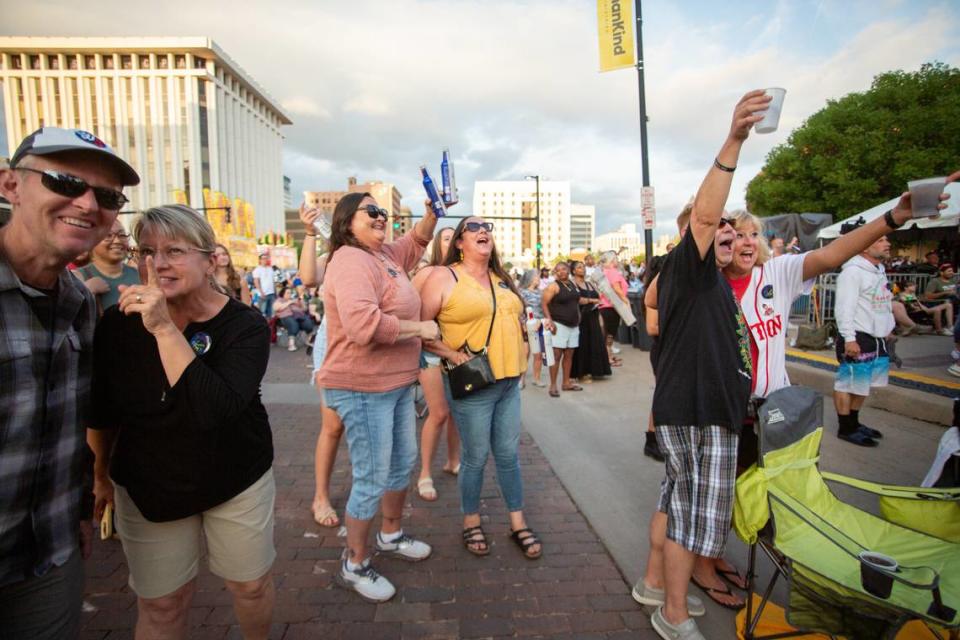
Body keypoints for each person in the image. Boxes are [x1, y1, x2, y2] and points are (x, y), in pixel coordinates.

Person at [87, 205, 276, 640]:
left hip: (235, 475)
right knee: (162, 602)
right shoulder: (118, 324)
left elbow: (215, 410)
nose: (157, 263)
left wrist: (164, 329)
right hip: (150, 484)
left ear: (210, 260)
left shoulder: (243, 325)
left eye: (174, 250)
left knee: (249, 586)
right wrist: (98, 476)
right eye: (147, 251)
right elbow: (103, 409)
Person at [632, 91, 769, 640]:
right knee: (693, 520)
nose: (732, 239)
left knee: (676, 504)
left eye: (741, 235)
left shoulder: (715, 284)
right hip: (696, 413)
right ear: (700, 237)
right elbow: (709, 214)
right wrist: (733, 140)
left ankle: (650, 584)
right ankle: (673, 613)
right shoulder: (688, 268)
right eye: (722, 234)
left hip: (706, 412)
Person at [0, 126, 138, 639]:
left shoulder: (79, 304)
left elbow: (70, 419)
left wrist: (84, 505)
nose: (86, 203)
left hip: (50, 554)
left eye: (105, 196)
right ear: (10, 184)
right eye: (63, 181)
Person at [316, 192, 440, 602]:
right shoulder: (350, 260)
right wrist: (419, 329)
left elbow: (417, 242)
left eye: (383, 211)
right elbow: (363, 325)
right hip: (362, 386)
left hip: (396, 383)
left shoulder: (383, 254)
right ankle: (355, 564)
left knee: (403, 462)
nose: (382, 217)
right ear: (346, 221)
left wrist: (430, 215)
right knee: (370, 477)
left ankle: (390, 535)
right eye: (372, 211)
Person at [420, 217, 542, 560]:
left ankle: (517, 522)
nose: (482, 230)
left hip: (509, 383)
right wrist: (453, 356)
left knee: (508, 455)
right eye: (472, 228)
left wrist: (522, 347)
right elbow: (423, 329)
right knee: (475, 458)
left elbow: (514, 318)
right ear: (459, 242)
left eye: (486, 227)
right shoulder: (445, 276)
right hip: (474, 382)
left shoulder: (501, 278)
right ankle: (470, 520)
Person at [296, 204, 343, 528]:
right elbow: (308, 277)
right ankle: (321, 496)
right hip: (334, 349)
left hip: (370, 350)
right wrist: (310, 232)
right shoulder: (336, 259)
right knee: (333, 426)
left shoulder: (377, 257)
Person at [411, 227, 461, 502]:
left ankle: (453, 461)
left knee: (456, 412)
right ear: (437, 245)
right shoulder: (427, 273)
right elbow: (412, 310)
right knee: (439, 413)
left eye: (455, 237)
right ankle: (425, 473)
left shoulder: (464, 274)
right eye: (446, 237)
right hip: (429, 351)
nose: (452, 241)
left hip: (457, 351)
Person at [75, 218, 141, 312]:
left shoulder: (139, 275)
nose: (117, 241)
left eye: (122, 235)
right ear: (91, 241)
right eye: (108, 235)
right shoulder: (79, 277)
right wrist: (87, 290)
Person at [542, 261, 582, 397]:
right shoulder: (553, 286)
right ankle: (553, 385)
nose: (561, 272)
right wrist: (550, 321)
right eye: (558, 270)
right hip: (559, 325)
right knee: (557, 355)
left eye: (564, 269)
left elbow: (576, 302)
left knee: (569, 355)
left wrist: (579, 315)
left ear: (568, 270)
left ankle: (566, 383)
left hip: (574, 325)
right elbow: (544, 303)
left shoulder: (572, 284)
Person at [569, 260, 611, 381]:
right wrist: (592, 301)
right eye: (579, 267)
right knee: (583, 344)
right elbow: (577, 299)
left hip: (593, 316)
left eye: (583, 267)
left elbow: (599, 295)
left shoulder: (589, 284)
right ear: (574, 271)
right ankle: (581, 373)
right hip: (581, 318)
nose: (583, 269)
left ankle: (595, 370)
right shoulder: (572, 284)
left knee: (595, 342)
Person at [598, 251, 629, 366]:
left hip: (604, 305)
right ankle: (608, 357)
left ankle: (609, 355)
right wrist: (626, 301)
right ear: (611, 261)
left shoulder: (603, 272)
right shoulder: (613, 272)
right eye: (615, 259)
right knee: (610, 334)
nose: (617, 261)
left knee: (607, 333)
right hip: (612, 306)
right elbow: (617, 289)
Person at [519, 269, 546, 387]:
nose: (538, 279)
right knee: (525, 353)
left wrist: (541, 321)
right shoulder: (521, 292)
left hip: (539, 325)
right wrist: (524, 324)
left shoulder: (541, 293)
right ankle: (521, 379)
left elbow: (543, 310)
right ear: (530, 278)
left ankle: (536, 378)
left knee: (538, 354)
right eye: (536, 277)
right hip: (526, 326)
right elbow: (519, 310)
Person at [273, 285, 316, 351]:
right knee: (293, 324)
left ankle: (309, 340)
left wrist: (302, 302)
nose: (289, 294)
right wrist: (289, 302)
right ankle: (291, 345)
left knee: (308, 323)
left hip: (298, 317)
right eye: (288, 293)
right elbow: (276, 308)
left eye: (290, 293)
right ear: (283, 293)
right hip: (285, 317)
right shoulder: (279, 300)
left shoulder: (294, 300)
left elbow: (304, 309)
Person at [252, 253, 276, 317]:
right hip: (263, 294)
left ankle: (270, 326)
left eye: (266, 258)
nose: (265, 260)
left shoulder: (270, 269)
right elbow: (256, 282)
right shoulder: (257, 270)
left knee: (271, 313)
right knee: (262, 312)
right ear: (260, 260)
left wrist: (275, 291)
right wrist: (261, 292)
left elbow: (273, 281)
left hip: (271, 293)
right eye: (263, 258)